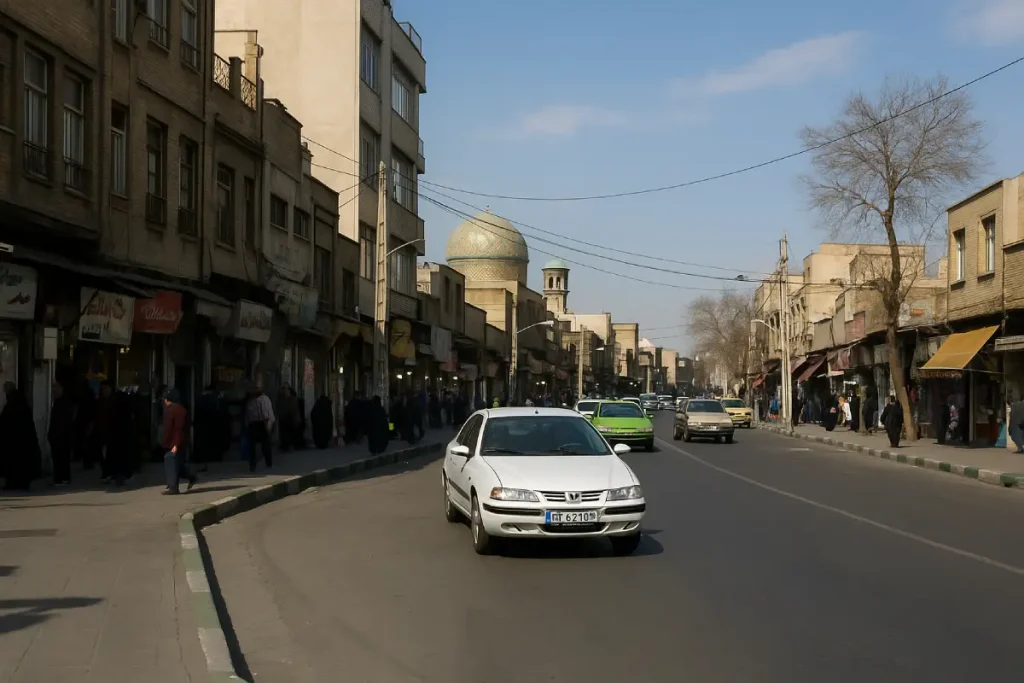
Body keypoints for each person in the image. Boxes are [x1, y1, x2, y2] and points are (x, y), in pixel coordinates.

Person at [1, 382, 41, 491]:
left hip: (13, 440)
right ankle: (23, 483)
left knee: (12, 463)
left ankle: (13, 483)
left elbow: (6, 422)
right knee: (23, 462)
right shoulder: (22, 402)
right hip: (25, 440)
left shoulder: (11, 404)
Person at [160, 388, 196, 495]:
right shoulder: (176, 409)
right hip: (174, 442)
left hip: (174, 443)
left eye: (165, 399)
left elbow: (178, 429)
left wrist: (175, 444)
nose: (164, 401)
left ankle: (173, 487)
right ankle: (191, 477)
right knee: (178, 465)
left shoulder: (176, 410)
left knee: (171, 462)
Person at [49, 379, 76, 486]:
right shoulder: (58, 401)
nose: (53, 390)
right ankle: (60, 478)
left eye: (55, 387)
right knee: (57, 458)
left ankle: (63, 478)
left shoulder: (65, 402)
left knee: (62, 458)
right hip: (57, 436)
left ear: (61, 388)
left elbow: (64, 421)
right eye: (52, 387)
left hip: (63, 436)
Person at [244, 384, 276, 472]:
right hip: (253, 424)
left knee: (266, 445)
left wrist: (269, 424)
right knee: (252, 446)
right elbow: (247, 414)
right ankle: (252, 465)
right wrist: (247, 424)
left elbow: (269, 413)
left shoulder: (265, 399)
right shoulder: (250, 401)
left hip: (263, 423)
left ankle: (269, 463)